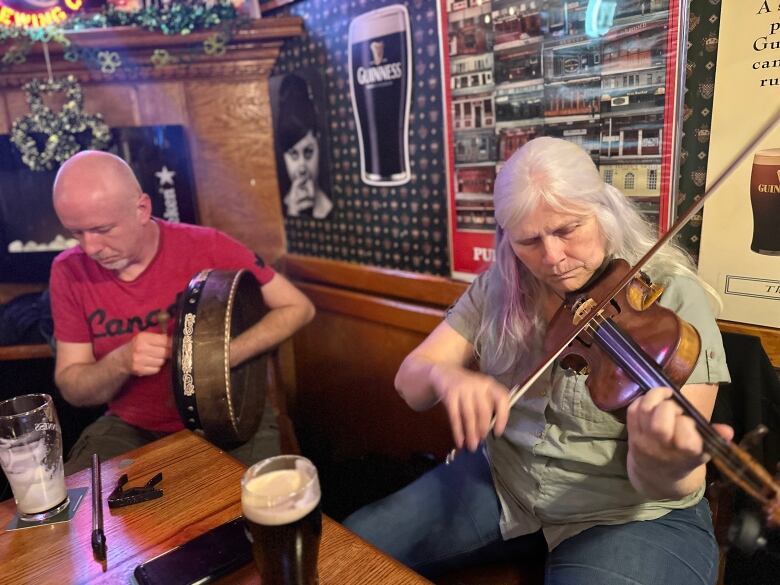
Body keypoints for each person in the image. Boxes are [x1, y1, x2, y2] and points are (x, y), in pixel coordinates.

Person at [343, 137, 732, 584]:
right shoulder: (502, 284)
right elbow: (410, 384)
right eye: (529, 240)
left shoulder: (670, 295)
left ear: (603, 209)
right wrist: (445, 376)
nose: (552, 259)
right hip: (504, 485)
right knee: (350, 550)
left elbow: (676, 482)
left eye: (568, 229)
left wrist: (660, 461)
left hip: (628, 513)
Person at [49, 150, 315, 474]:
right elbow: (73, 386)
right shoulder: (68, 271)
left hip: (227, 415)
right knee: (82, 515)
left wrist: (223, 356)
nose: (90, 248)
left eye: (103, 229)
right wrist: (120, 362)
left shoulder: (207, 246)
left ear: (142, 209)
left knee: (250, 513)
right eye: (76, 233)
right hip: (132, 427)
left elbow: (299, 308)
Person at [276, 73, 333, 219]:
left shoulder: (329, 208)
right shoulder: (279, 208)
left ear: (318, 147)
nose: (302, 167)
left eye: (308, 152)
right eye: (293, 155)